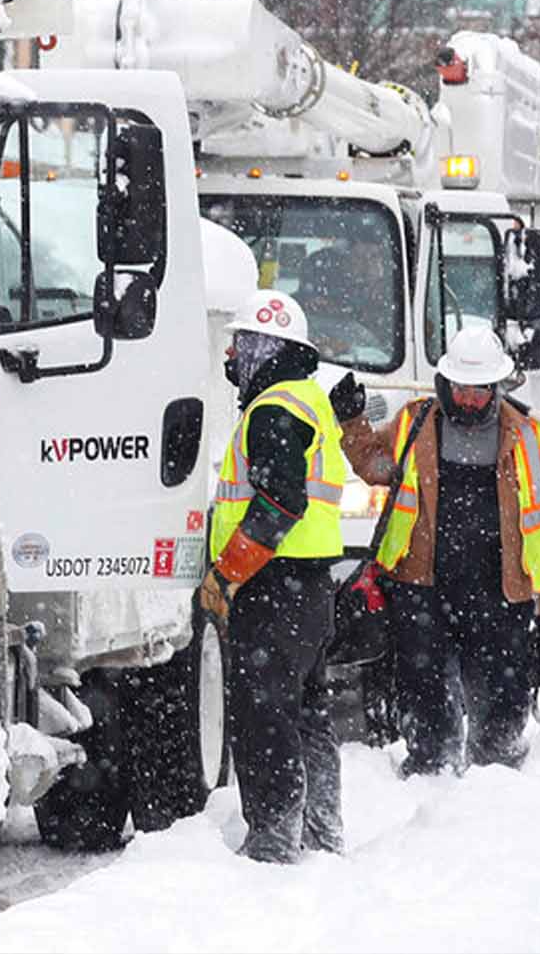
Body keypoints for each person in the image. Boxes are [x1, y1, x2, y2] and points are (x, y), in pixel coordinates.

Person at [337, 325, 540, 775]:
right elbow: (375, 464)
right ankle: (431, 767)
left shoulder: (530, 435)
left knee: (504, 691)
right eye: (461, 389)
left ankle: (496, 772)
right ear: (445, 383)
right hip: (422, 583)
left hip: (502, 590)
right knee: (424, 685)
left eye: (479, 392)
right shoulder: (414, 423)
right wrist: (352, 421)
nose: (468, 400)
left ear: (497, 388)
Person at [197, 289, 351, 862]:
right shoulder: (306, 399)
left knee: (264, 712)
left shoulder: (274, 409)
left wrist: (227, 574)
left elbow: (279, 504)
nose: (231, 356)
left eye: (241, 344)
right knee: (306, 712)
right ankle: (320, 831)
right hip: (308, 587)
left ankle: (274, 839)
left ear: (266, 347)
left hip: (273, 585)